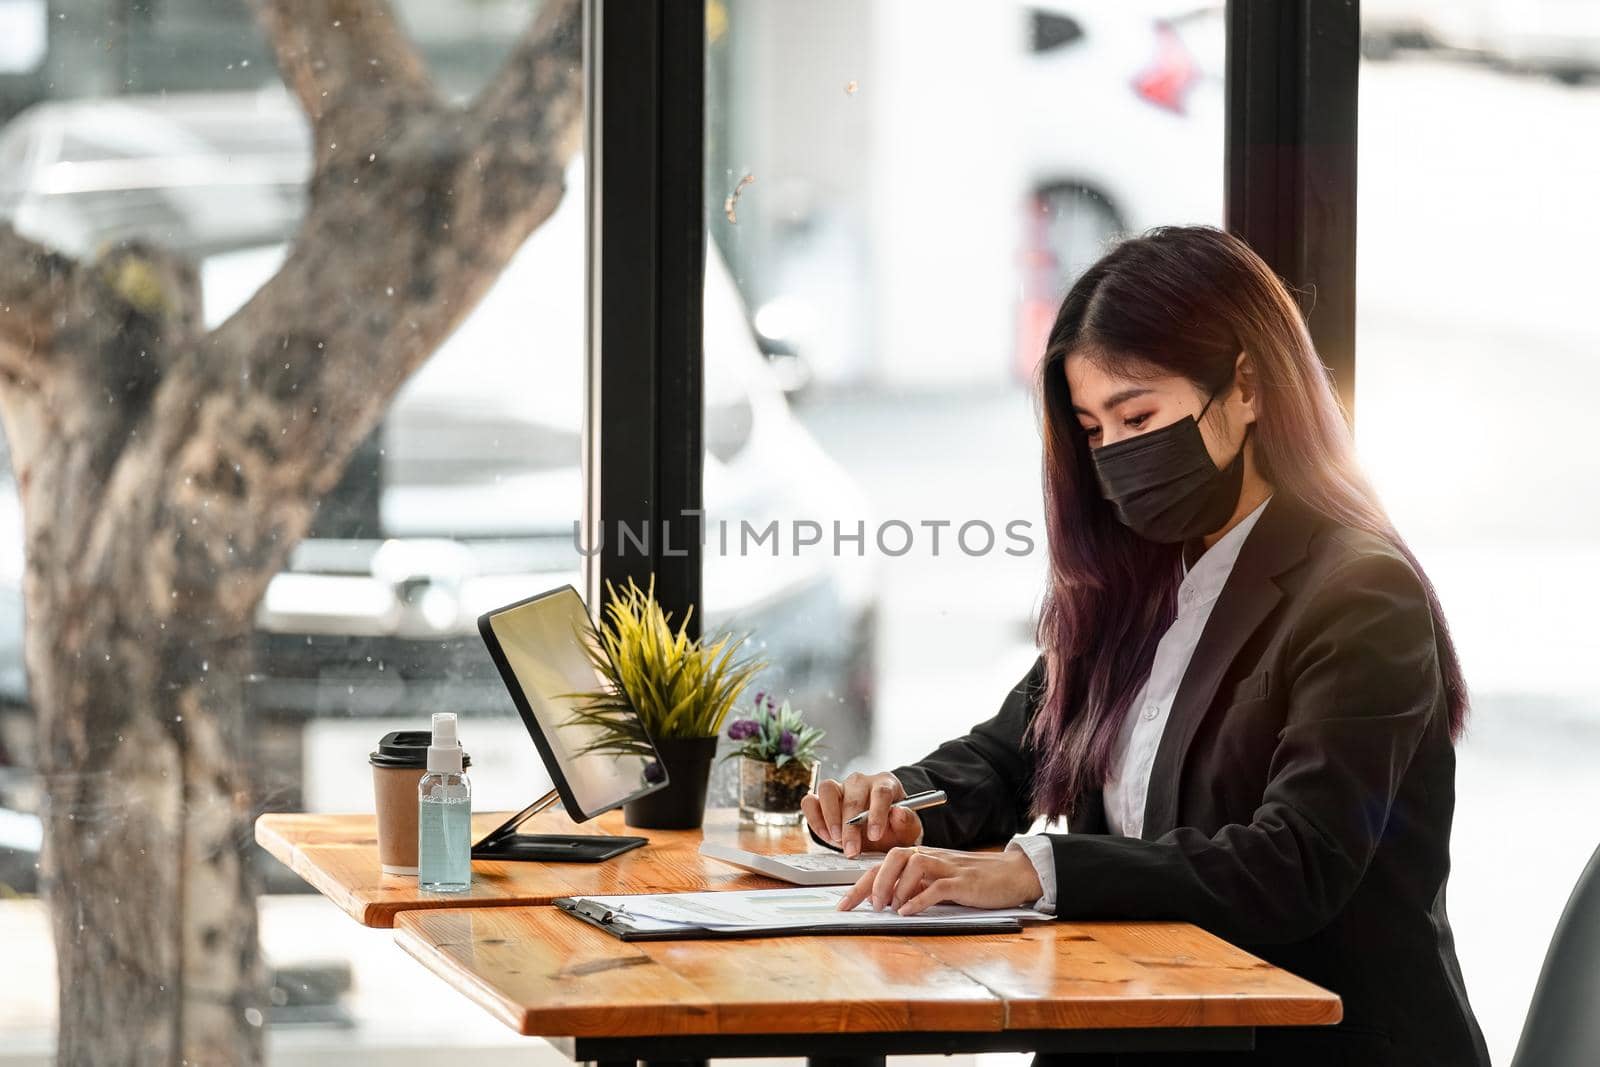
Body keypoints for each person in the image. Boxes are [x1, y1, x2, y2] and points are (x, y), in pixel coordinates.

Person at [802, 226, 1489, 1066]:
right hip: (1144, 1024)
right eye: (1093, 431)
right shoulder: (1136, 584)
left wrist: (1036, 869)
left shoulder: (1358, 592)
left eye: (1139, 415)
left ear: (1247, 387)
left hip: (1312, 1047)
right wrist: (900, 803)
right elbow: (1013, 755)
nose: (1118, 456)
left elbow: (1293, 863)